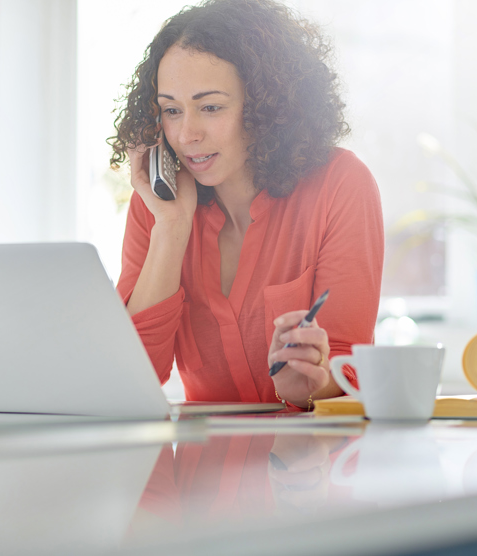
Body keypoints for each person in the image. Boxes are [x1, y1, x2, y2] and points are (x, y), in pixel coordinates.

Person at [108, 0, 383, 411]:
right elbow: (128, 381)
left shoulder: (340, 185)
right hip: (202, 468)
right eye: (171, 110)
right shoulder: (156, 207)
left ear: (266, 108)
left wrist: (308, 381)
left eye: (211, 107)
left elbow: (349, 368)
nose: (187, 134)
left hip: (310, 464)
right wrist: (171, 227)